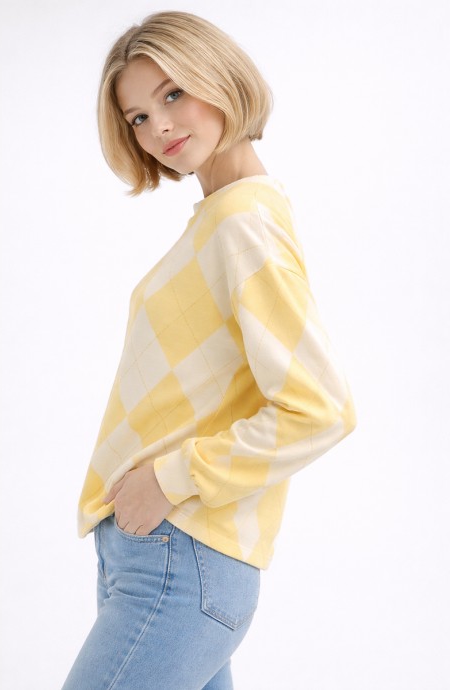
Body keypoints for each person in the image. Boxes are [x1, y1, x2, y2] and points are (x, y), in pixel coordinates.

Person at [61, 10, 356, 690]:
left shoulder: (243, 222)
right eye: (138, 117)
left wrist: (169, 479)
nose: (159, 127)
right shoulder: (223, 219)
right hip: (161, 556)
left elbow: (321, 408)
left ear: (219, 76)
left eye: (173, 94)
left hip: (180, 555)